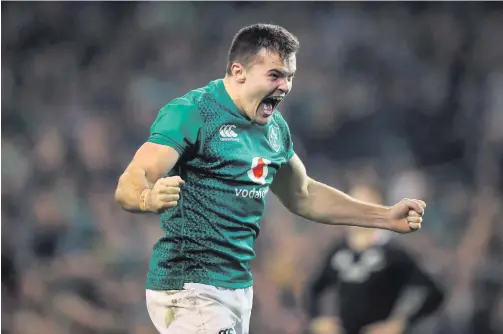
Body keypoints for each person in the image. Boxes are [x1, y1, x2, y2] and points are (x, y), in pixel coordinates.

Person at [114, 23, 427, 334]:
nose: (285, 86)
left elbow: (303, 194)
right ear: (239, 72)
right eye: (275, 75)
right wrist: (148, 197)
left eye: (289, 76)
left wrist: (384, 217)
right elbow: (132, 180)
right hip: (188, 284)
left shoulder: (275, 130)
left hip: (235, 288)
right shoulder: (192, 112)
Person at [306, 185, 444, 334]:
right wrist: (318, 319)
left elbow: (433, 291)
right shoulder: (339, 251)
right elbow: (313, 289)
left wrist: (399, 324)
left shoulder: (392, 253)